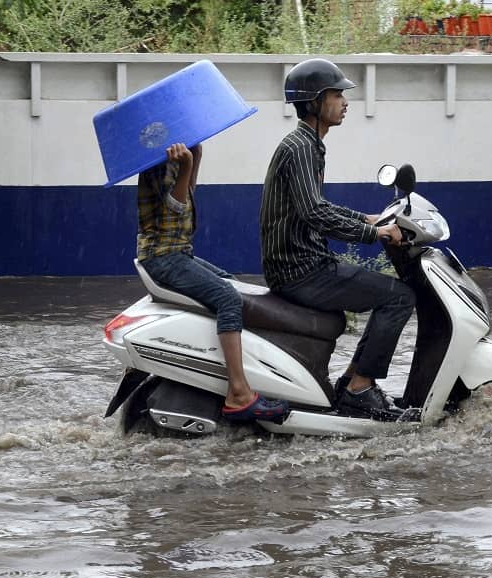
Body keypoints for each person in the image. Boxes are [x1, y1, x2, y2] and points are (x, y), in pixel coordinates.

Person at [260, 58, 416, 419]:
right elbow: (314, 213)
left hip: (305, 263)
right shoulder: (300, 148)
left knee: (390, 295)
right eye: (336, 94)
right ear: (315, 103)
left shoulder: (309, 144)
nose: (345, 102)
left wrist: (367, 217)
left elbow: (317, 205)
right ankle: (360, 387)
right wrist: (373, 233)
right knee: (399, 297)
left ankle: (351, 382)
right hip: (299, 270)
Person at [137, 141, 288, 422]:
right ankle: (238, 392)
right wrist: (187, 167)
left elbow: (187, 197)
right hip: (164, 257)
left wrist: (195, 158)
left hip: (178, 253)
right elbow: (174, 212)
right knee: (228, 299)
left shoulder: (173, 157)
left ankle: (227, 368)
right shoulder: (157, 162)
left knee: (230, 284)